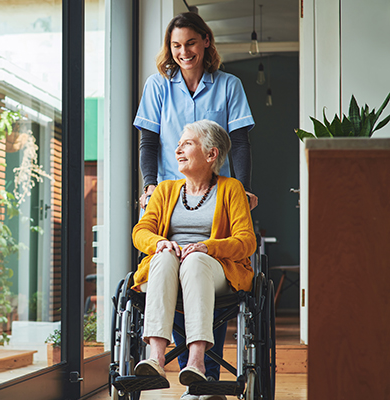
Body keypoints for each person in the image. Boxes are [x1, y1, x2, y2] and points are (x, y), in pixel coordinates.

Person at [133, 12, 257, 392]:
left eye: (190, 42)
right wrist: (152, 185)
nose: (183, 51)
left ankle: (202, 371)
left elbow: (242, 142)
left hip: (214, 205)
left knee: (200, 263)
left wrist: (241, 189)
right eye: (175, 45)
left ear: (205, 42)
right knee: (166, 259)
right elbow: (149, 142)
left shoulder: (228, 85)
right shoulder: (158, 86)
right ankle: (159, 357)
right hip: (173, 190)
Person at [131, 121, 256, 399]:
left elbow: (246, 241)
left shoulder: (231, 188)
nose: (177, 150)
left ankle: (197, 362)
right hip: (170, 269)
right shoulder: (164, 190)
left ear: (211, 155)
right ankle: (155, 358)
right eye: (178, 144)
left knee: (195, 260)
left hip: (214, 269)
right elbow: (141, 232)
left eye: (187, 143)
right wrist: (159, 242)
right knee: (162, 257)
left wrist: (207, 247)